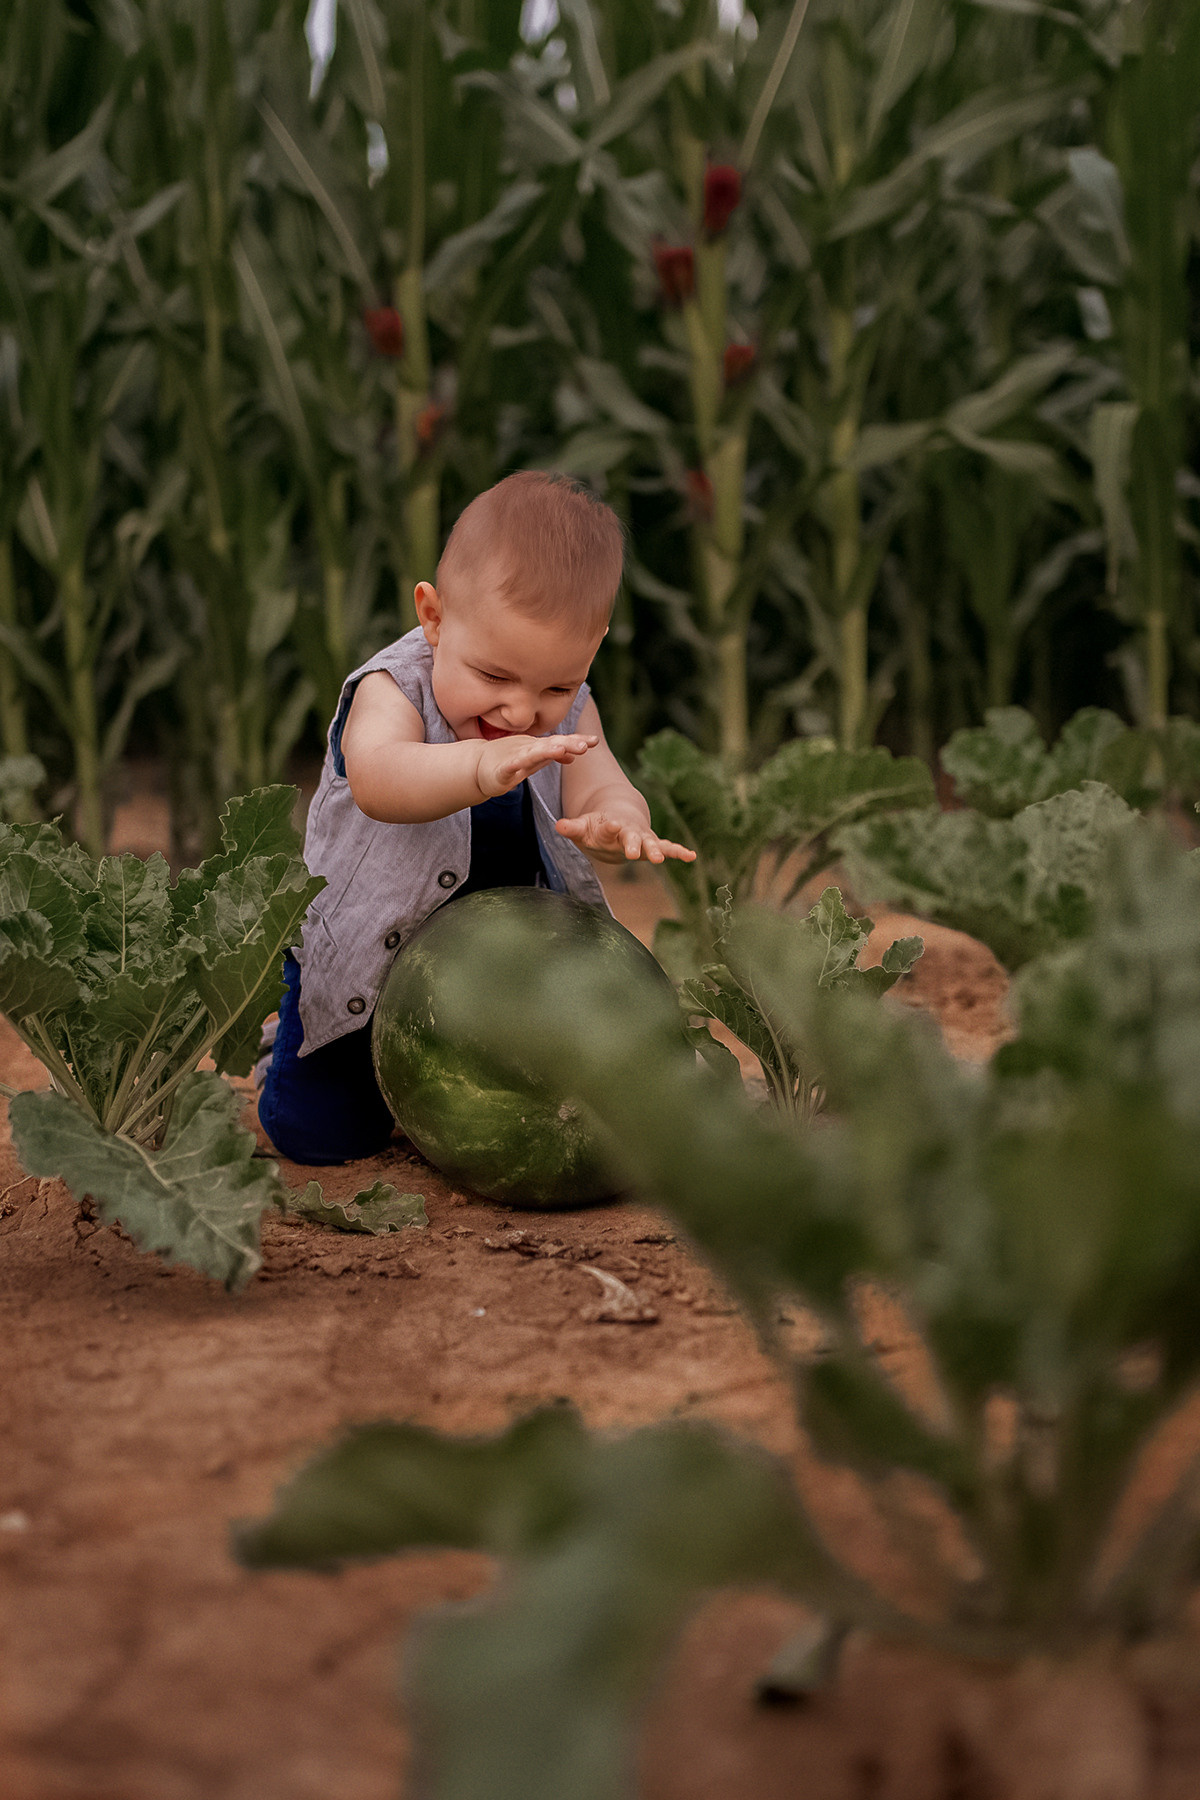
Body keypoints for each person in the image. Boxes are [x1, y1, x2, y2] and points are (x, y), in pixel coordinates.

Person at [257, 470, 695, 1165]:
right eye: (494, 677)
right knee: (321, 1136)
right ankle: (285, 1047)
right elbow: (378, 779)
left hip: (499, 976)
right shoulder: (391, 688)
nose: (522, 712)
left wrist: (616, 821)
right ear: (433, 618)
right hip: (368, 964)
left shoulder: (573, 706)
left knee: (525, 1107)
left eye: (556, 686)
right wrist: (480, 767)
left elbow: (600, 782)